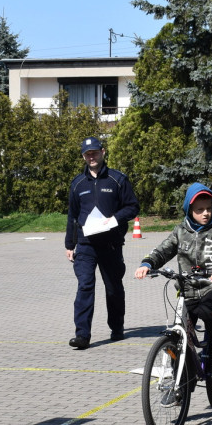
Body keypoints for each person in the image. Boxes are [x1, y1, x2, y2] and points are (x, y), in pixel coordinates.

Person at [134, 183, 212, 361]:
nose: (206, 213)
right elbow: (163, 250)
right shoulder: (180, 231)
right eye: (200, 209)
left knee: (206, 311)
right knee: (180, 330)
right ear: (189, 210)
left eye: (209, 208)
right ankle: (180, 379)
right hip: (188, 288)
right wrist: (147, 264)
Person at [64, 136, 138, 349]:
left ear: (103, 152)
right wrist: (70, 245)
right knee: (85, 286)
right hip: (86, 245)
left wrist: (114, 219)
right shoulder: (77, 183)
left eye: (95, 152)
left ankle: (117, 327)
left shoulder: (118, 179)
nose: (91, 156)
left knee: (113, 288)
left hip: (111, 244)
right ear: (83, 157)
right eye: (87, 154)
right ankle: (82, 335)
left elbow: (132, 207)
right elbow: (73, 215)